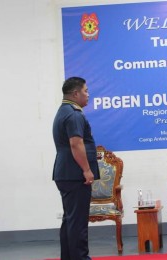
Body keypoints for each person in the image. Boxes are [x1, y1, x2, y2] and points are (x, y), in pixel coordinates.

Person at [52, 77, 100, 260]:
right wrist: (87, 170)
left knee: (70, 220)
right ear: (75, 93)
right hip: (74, 174)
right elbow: (76, 144)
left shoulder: (64, 111)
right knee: (78, 222)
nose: (88, 94)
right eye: (86, 91)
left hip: (65, 172)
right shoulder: (74, 114)